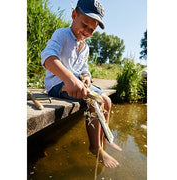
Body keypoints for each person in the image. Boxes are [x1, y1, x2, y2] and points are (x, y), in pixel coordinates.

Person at [41, 0, 122, 168]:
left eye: (91, 30)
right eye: (84, 25)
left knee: (106, 101)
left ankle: (104, 137)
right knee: (94, 101)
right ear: (73, 15)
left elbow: (84, 69)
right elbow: (48, 57)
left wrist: (86, 77)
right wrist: (69, 79)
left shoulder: (85, 48)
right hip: (58, 84)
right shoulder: (61, 34)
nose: (86, 31)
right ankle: (95, 147)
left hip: (78, 84)